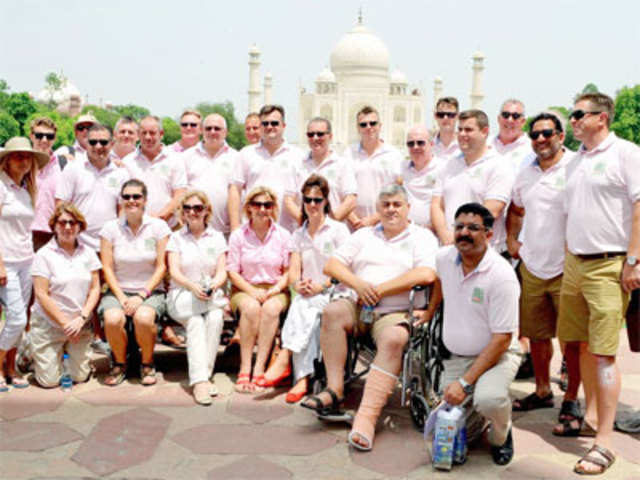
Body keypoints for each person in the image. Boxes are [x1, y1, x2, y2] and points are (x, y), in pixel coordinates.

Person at [303, 184, 438, 451]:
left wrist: (380, 290)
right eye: (385, 205)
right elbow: (332, 265)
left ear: (408, 208)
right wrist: (359, 285)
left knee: (394, 338)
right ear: (378, 210)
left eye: (396, 204)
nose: (391, 210)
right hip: (358, 304)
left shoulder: (422, 237)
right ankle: (334, 389)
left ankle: (366, 417)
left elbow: (426, 275)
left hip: (395, 311)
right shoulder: (364, 235)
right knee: (331, 312)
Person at [558, 92, 640, 475]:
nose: (571, 120)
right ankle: (591, 414)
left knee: (605, 352)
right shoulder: (574, 162)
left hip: (610, 265)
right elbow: (571, 214)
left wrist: (634, 261)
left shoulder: (626, 153)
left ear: (601, 118)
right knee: (579, 346)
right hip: (575, 264)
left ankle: (603, 442)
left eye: (578, 114)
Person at [420, 202, 521, 465]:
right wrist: (431, 311)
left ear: (488, 234)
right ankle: (479, 413)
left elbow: (502, 339)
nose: (464, 233)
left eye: (473, 228)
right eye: (460, 226)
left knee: (488, 400)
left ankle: (502, 433)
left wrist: (465, 383)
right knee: (446, 431)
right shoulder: (445, 257)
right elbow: (440, 280)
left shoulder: (502, 275)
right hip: (456, 356)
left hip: (496, 356)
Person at [507, 113, 582, 428]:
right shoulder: (526, 174)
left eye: (547, 133)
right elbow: (516, 209)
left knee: (571, 339)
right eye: (535, 134)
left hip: (568, 267)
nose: (540, 139)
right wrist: (513, 240)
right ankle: (542, 389)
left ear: (561, 136)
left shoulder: (578, 167)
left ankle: (571, 399)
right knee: (537, 336)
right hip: (534, 266)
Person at [263, 175, 350, 403]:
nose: (312, 205)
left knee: (306, 307)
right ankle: (302, 378)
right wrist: (297, 284)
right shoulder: (298, 234)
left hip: (335, 291)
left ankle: (286, 358)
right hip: (308, 294)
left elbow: (346, 269)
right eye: (308, 200)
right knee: (305, 305)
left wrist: (322, 285)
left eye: (317, 200)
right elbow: (294, 271)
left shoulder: (338, 231)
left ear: (326, 202)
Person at [98, 179, 171, 386]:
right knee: (112, 318)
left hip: (149, 292)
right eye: (126, 197)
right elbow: (107, 268)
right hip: (118, 291)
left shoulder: (159, 227)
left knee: (144, 317)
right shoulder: (110, 228)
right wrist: (121, 297)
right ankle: (120, 364)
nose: (131, 201)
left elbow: (161, 267)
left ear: (145, 200)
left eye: (136, 196)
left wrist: (141, 295)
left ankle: (146, 363)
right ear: (121, 200)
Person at [227, 186, 292, 393]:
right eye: (257, 204)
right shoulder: (238, 235)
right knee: (251, 308)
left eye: (267, 205)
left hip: (276, 289)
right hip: (244, 288)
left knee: (271, 309)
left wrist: (275, 289)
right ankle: (245, 367)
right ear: (249, 208)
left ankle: (259, 367)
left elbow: (289, 271)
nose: (262, 209)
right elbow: (232, 272)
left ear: (273, 208)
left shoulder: (283, 235)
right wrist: (252, 291)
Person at [30, 203, 101, 387]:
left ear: (80, 226)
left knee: (79, 377)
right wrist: (65, 324)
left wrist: (82, 318)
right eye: (62, 223)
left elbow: (95, 289)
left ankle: (65, 353)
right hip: (49, 324)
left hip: (79, 324)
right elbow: (41, 294)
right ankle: (29, 352)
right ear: (54, 226)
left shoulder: (89, 253)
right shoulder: (44, 254)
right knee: (49, 382)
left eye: (73, 222)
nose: (68, 227)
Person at [167, 191, 227, 405]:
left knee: (214, 317)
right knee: (204, 314)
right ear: (182, 212)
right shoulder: (176, 238)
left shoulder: (217, 238)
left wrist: (215, 285)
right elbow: (174, 271)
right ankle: (200, 381)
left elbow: (222, 272)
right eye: (188, 208)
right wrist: (192, 286)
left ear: (206, 211)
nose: (192, 212)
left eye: (198, 208)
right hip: (182, 295)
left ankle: (202, 377)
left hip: (208, 294)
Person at [0, 137, 48, 391]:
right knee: (16, 318)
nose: (24, 160)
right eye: (17, 155)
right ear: (6, 160)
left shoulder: (26, 190)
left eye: (27, 156)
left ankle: (11, 366)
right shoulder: (1, 186)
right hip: (6, 261)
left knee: (23, 317)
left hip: (26, 259)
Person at [431, 109, 514, 253]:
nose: (462, 135)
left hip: (485, 254)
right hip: (450, 251)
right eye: (460, 130)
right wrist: (444, 234)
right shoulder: (449, 165)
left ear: (484, 131)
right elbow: (436, 204)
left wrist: (458, 235)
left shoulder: (499, 165)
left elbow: (491, 211)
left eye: (468, 130)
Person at [229, 104, 303, 232]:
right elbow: (235, 189)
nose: (270, 127)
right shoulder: (247, 154)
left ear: (283, 126)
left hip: (287, 231)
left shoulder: (297, 155)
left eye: (274, 123)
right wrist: (235, 228)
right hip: (252, 232)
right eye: (265, 123)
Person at [56, 124, 130, 251]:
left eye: (103, 142)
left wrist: (120, 240)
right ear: (86, 143)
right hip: (78, 245)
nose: (98, 146)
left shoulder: (121, 173)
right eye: (93, 142)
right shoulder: (73, 169)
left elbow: (122, 210)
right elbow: (60, 206)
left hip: (109, 245)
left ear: (112, 144)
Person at [284, 117, 356, 225]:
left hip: (333, 234)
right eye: (311, 135)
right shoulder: (297, 165)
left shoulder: (342, 164)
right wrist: (306, 222)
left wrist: (332, 223)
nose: (315, 138)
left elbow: (351, 199)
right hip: (305, 233)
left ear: (330, 136)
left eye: (320, 134)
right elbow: (288, 200)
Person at [344, 106, 403, 230]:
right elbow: (342, 191)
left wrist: (375, 218)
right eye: (363, 124)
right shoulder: (349, 154)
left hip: (385, 224)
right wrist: (356, 221)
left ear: (380, 126)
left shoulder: (393, 154)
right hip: (354, 226)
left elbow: (399, 190)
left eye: (373, 123)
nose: (368, 127)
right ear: (358, 128)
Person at [122, 115, 187, 227]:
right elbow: (123, 198)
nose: (148, 137)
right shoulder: (127, 162)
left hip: (168, 227)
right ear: (138, 134)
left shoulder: (175, 159)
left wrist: (160, 218)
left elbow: (180, 193)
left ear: (161, 134)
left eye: (152, 133)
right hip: (136, 228)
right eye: (144, 133)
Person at [183, 114, 238, 235]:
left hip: (226, 232)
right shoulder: (186, 157)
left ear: (226, 132)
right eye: (208, 128)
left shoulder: (236, 158)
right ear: (201, 131)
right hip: (192, 231)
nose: (212, 132)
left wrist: (235, 231)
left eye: (217, 128)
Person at [402, 124, 444, 230]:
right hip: (406, 232)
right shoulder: (403, 167)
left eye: (420, 143)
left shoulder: (443, 168)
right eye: (411, 144)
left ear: (431, 144)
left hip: (433, 233)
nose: (415, 147)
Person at [29, 117, 62, 251]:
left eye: (49, 136)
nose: (44, 140)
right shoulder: (19, 163)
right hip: (23, 232)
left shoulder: (63, 165)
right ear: (31, 136)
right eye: (39, 135)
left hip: (51, 235)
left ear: (54, 139)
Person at [491, 99, 535, 172]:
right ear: (498, 118)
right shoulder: (485, 144)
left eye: (515, 116)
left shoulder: (533, 148)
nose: (510, 120)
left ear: (523, 121)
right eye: (506, 115)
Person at [431, 97, 461, 162]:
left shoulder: (464, 146)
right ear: (435, 116)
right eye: (441, 115)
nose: (445, 118)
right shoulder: (427, 146)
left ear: (457, 116)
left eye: (450, 115)